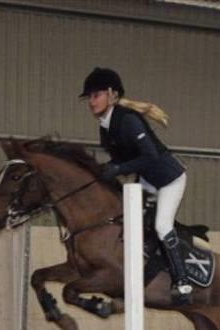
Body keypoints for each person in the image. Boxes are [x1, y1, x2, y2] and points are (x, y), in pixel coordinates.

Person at [79, 67, 193, 304]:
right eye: (89, 97)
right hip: (147, 178)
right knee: (128, 220)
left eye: (96, 95)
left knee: (162, 225)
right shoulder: (105, 127)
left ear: (112, 94)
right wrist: (105, 170)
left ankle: (182, 282)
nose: (91, 101)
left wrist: (118, 169)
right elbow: (123, 158)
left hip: (169, 178)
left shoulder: (128, 120)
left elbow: (150, 156)